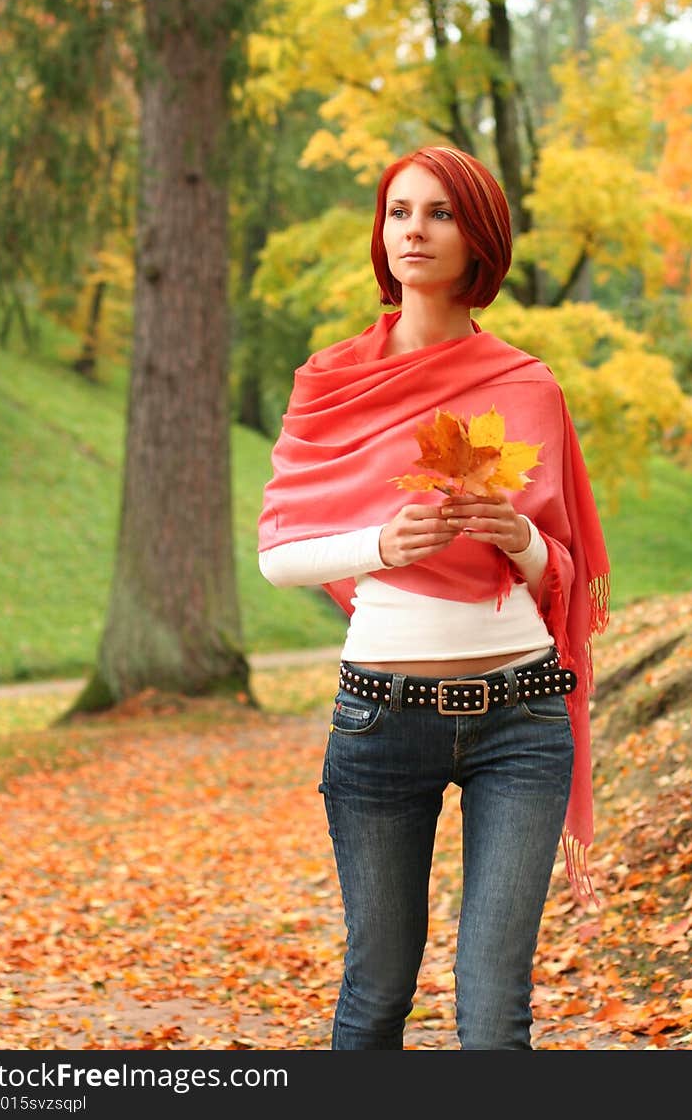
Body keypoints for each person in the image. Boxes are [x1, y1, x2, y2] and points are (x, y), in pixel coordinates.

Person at [257, 145, 610, 1051]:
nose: (415, 229)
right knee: (376, 992)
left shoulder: (527, 385)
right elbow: (278, 555)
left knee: (495, 1014)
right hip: (380, 718)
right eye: (400, 211)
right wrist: (379, 544)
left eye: (441, 213)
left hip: (520, 717)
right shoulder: (329, 382)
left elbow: (558, 569)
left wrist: (518, 537)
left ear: (477, 237)